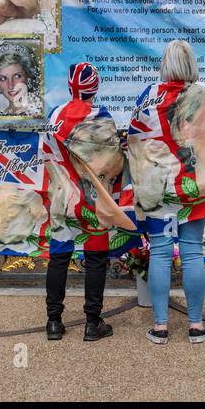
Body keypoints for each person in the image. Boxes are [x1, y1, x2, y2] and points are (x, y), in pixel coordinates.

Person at [128, 40, 205, 345]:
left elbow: (133, 141)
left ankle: (160, 326)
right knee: (192, 251)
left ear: (165, 64)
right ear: (191, 64)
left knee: (159, 251)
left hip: (158, 188)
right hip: (195, 186)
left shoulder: (149, 96)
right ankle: (195, 325)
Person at [41, 63, 134, 342]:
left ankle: (54, 322)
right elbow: (114, 163)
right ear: (95, 88)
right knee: (95, 258)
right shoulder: (101, 117)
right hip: (92, 199)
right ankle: (92, 323)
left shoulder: (54, 115)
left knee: (58, 257)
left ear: (71, 87)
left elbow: (45, 155)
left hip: (62, 195)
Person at [0, 44, 40, 116]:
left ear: (28, 77)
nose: (11, 86)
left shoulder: (40, 115)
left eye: (17, 76)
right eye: (3, 78)